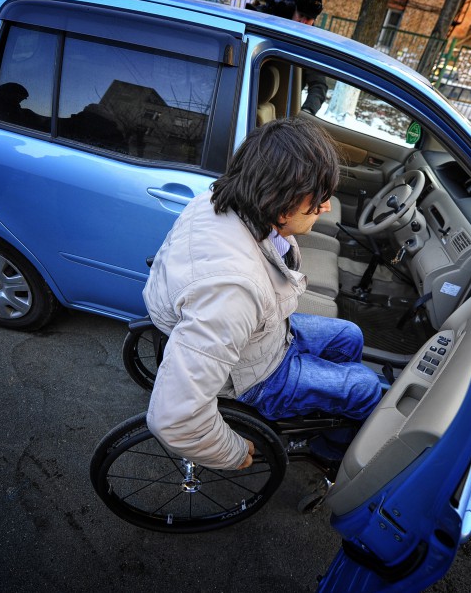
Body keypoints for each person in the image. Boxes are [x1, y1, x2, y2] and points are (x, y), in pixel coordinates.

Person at [143, 118, 382, 470]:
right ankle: (330, 449)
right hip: (255, 374)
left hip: (263, 335)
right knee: (364, 388)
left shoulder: (220, 199)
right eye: (317, 200)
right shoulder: (233, 290)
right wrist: (234, 452)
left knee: (350, 334)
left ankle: (324, 402)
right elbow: (175, 417)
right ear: (280, 202)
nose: (326, 207)